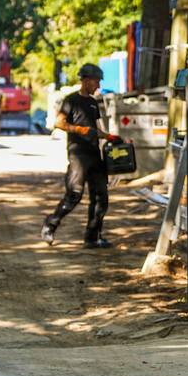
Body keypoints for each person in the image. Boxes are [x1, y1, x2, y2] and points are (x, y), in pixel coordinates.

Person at [41, 64, 121, 248]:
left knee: (101, 197)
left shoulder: (93, 103)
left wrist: (110, 137)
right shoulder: (71, 101)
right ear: (85, 80)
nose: (98, 85)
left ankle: (92, 237)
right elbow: (58, 123)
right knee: (74, 195)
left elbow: (96, 130)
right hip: (78, 155)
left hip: (95, 154)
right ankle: (50, 225)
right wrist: (78, 129)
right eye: (96, 81)